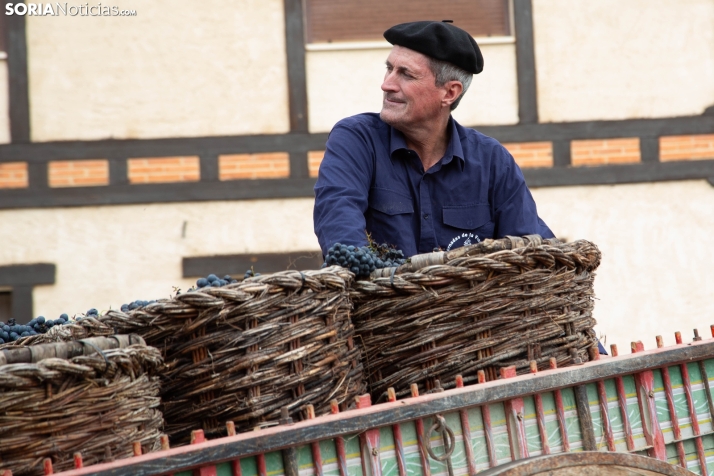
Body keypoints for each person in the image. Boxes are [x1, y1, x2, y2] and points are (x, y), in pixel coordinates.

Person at [313, 20, 554, 258]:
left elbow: (535, 251)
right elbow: (339, 223)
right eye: (389, 68)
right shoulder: (357, 140)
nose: (386, 84)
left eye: (406, 74)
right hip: (379, 298)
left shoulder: (492, 161)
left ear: (450, 92)